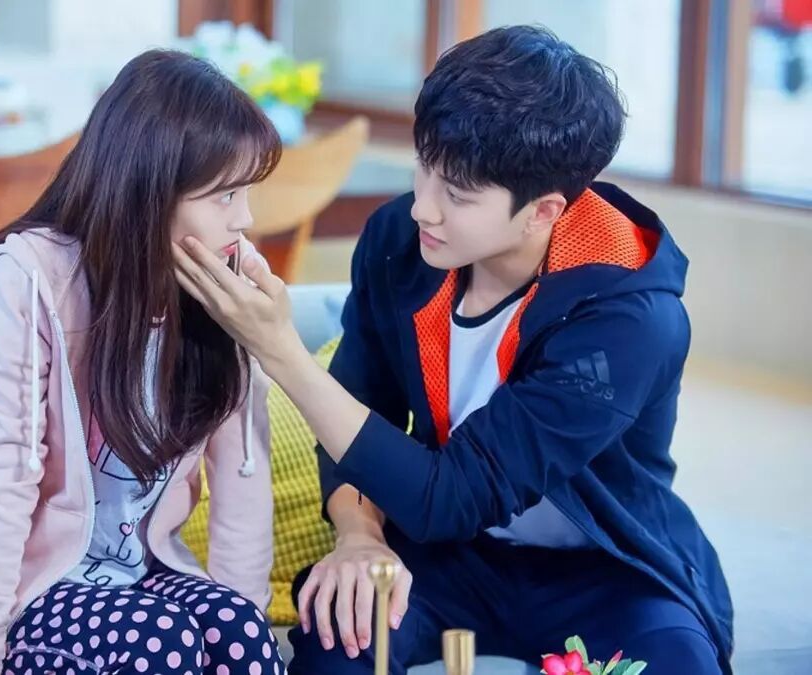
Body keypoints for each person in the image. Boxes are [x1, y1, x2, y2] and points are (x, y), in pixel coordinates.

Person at [173, 26, 732, 675]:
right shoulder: (398, 240)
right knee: (337, 642)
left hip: (605, 568)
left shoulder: (629, 321)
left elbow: (452, 495)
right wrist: (359, 536)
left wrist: (280, 350)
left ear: (543, 211)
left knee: (678, 664)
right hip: (447, 558)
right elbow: (360, 408)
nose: (424, 209)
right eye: (425, 167)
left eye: (458, 195)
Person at [0, 50, 286, 675]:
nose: (245, 218)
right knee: (160, 638)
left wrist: (240, 624)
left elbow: (241, 485)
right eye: (225, 195)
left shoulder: (225, 289)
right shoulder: (29, 282)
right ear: (151, 191)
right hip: (15, 595)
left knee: (242, 630)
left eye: (246, 192)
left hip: (134, 581)